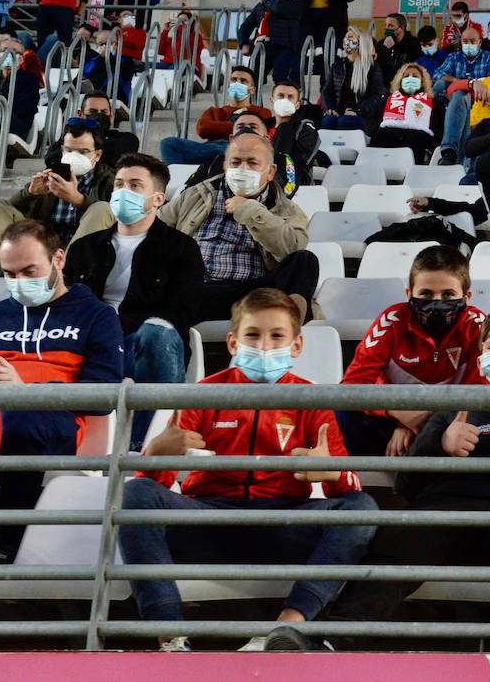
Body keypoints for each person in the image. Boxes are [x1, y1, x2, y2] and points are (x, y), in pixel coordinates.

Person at [304, 307, 490, 654]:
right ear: (479, 364)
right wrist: (441, 444)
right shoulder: (452, 410)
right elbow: (407, 484)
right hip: (449, 508)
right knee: (398, 542)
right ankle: (331, 643)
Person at [118, 288, 376, 653]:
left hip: (283, 522)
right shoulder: (202, 393)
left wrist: (330, 472)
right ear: (232, 342)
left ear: (297, 345)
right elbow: (150, 489)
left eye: (277, 336)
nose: (265, 346)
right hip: (207, 519)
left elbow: (346, 490)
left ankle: (284, 631)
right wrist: (156, 456)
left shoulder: (313, 399)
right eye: (253, 335)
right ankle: (170, 638)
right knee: (134, 493)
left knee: (362, 508)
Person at [0, 220, 124, 561]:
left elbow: (104, 394)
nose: (18, 283)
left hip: (55, 419)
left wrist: (26, 389)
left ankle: (4, 542)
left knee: (18, 423)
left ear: (58, 259)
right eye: (9, 273)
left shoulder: (97, 316)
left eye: (29, 270)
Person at [63, 154, 204, 449]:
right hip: (92, 347)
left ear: (158, 199)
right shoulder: (84, 248)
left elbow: (182, 312)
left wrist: (114, 327)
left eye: (135, 185)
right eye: (118, 184)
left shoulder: (181, 249)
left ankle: (139, 447)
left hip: (141, 347)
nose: (123, 191)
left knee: (158, 331)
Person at [339, 245, 485, 456]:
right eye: (425, 294)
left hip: (453, 423)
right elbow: (353, 384)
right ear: (409, 294)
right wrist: (399, 413)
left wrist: (427, 420)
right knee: (341, 415)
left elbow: (481, 391)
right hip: (392, 418)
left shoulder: (477, 326)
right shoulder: (392, 321)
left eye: (448, 295)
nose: (436, 302)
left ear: (467, 297)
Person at [160, 132, 320, 316]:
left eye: (253, 163)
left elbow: (291, 248)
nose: (243, 169)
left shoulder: (286, 209)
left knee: (304, 259)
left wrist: (251, 211)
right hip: (192, 287)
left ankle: (290, 318)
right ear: (225, 167)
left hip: (251, 297)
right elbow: (155, 228)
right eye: (235, 163)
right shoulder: (197, 194)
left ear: (270, 172)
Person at [0, 122, 116, 275]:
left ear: (97, 155)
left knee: (103, 208)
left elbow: (117, 217)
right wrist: (30, 193)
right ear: (62, 150)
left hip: (79, 249)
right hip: (42, 243)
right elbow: (12, 212)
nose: (74, 156)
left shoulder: (111, 180)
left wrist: (78, 199)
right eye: (69, 150)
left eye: (83, 152)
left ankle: (69, 271)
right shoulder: (50, 176)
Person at [160, 67, 272, 166]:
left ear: (252, 90)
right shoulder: (214, 111)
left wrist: (219, 127)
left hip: (239, 149)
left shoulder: (262, 112)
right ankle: (177, 183)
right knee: (168, 143)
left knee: (230, 148)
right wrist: (236, 125)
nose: (237, 83)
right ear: (228, 85)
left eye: (243, 81)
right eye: (234, 80)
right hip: (209, 149)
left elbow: (255, 134)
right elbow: (203, 129)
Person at [431, 25, 490, 167]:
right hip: (456, 101)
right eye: (465, 41)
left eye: (472, 41)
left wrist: (461, 87)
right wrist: (459, 82)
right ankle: (449, 152)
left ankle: (449, 153)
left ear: (480, 42)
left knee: (458, 95)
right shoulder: (453, 57)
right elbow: (437, 74)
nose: (468, 45)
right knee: (445, 89)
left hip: (480, 103)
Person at [237, 0, 302, 83]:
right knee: (253, 79)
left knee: (279, 77)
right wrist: (244, 43)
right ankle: (254, 100)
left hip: (284, 48)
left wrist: (266, 0)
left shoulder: (295, 5)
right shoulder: (261, 6)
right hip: (261, 46)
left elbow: (279, 9)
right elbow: (246, 26)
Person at [320, 26, 387, 131]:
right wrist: (330, 109)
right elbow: (326, 92)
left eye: (350, 37)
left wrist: (357, 111)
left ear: (361, 42)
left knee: (345, 121)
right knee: (328, 121)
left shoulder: (372, 67)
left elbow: (378, 96)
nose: (346, 40)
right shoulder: (337, 65)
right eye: (345, 37)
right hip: (339, 114)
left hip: (363, 116)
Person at [369, 62, 434, 160]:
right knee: (382, 135)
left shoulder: (433, 102)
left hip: (418, 140)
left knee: (417, 137)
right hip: (389, 136)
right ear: (400, 81)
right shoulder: (387, 98)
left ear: (422, 82)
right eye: (406, 76)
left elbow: (438, 128)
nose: (410, 78)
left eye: (415, 76)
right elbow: (372, 120)